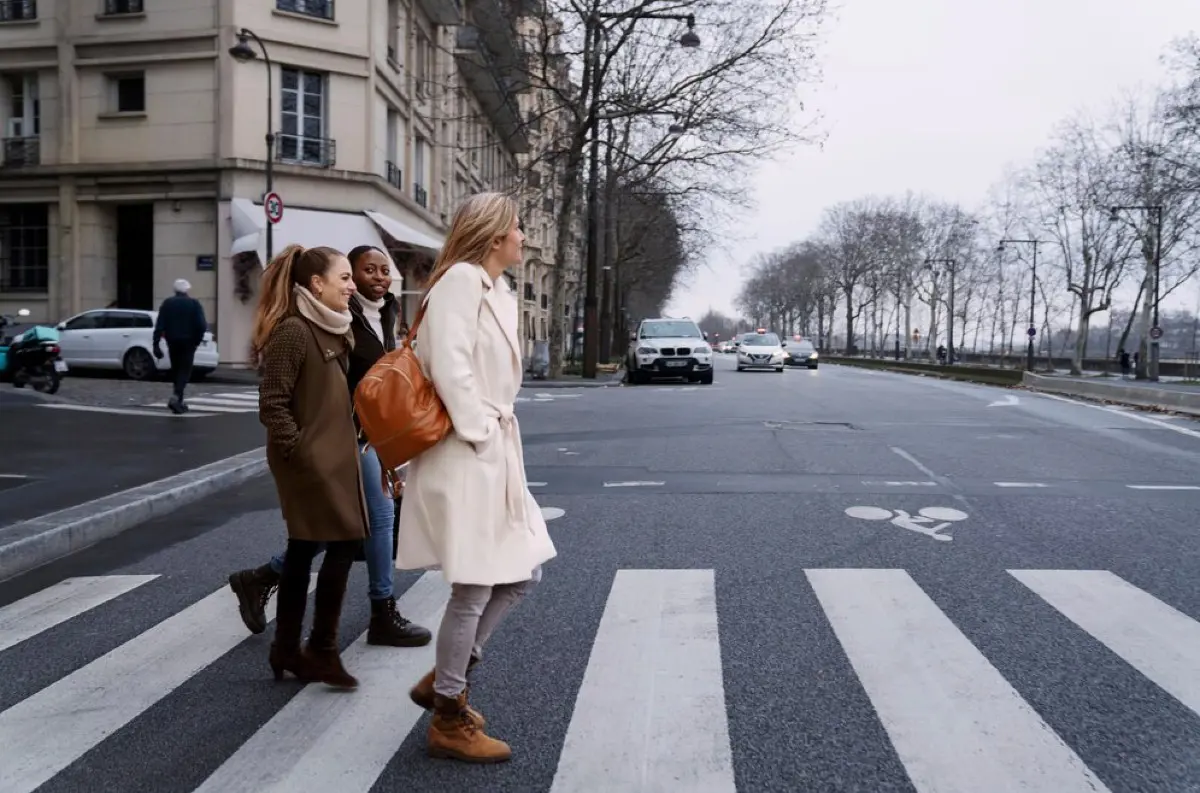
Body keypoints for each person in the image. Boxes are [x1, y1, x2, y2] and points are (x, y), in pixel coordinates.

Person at [397, 192, 557, 763]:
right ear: (494, 236)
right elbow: (449, 362)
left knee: (521, 572)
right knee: (477, 584)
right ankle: (447, 714)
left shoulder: (498, 290)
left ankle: (447, 678)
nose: (523, 237)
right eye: (517, 228)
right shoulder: (461, 281)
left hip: (491, 450)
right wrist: (480, 431)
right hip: (468, 451)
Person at [228, 246, 432, 648]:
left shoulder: (387, 312)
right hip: (339, 438)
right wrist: (303, 451)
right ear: (338, 280)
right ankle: (378, 613)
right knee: (369, 521)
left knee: (345, 528)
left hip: (366, 434)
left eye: (383, 270)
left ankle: (265, 580)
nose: (375, 278)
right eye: (361, 272)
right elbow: (279, 398)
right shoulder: (335, 319)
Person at [251, 243, 368, 689]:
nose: (351, 285)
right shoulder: (295, 331)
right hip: (311, 461)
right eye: (344, 278)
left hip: (339, 457)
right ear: (315, 284)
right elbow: (272, 404)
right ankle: (320, 649)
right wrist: (299, 450)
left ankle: (287, 648)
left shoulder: (336, 327)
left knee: (304, 547)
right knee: (343, 542)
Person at [152, 278, 208, 414]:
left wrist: (156, 344)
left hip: (172, 341)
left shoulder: (167, 303)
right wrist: (197, 340)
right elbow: (201, 325)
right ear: (187, 290)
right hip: (188, 342)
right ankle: (176, 397)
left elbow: (159, 325)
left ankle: (179, 401)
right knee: (184, 371)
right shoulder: (194, 304)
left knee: (176, 370)